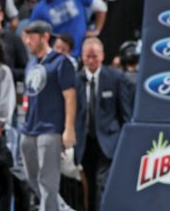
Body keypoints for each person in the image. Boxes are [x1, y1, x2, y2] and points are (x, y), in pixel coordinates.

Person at [20, 21, 76, 211]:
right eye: (26, 37)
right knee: (32, 179)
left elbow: (70, 97)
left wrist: (68, 129)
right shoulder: (31, 63)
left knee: (47, 183)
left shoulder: (61, 62)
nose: (27, 41)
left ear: (44, 36)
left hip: (50, 128)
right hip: (29, 128)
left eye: (31, 37)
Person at [74, 37, 131, 211]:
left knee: (102, 180)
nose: (91, 61)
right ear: (82, 56)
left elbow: (125, 114)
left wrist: (125, 140)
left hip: (109, 140)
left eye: (95, 56)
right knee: (89, 183)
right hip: (84, 141)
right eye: (87, 56)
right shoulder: (75, 80)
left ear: (102, 56)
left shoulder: (116, 77)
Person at [29, 0, 107, 57]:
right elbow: (31, 32)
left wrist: (97, 30)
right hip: (60, 55)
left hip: (83, 52)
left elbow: (101, 6)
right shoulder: (39, 8)